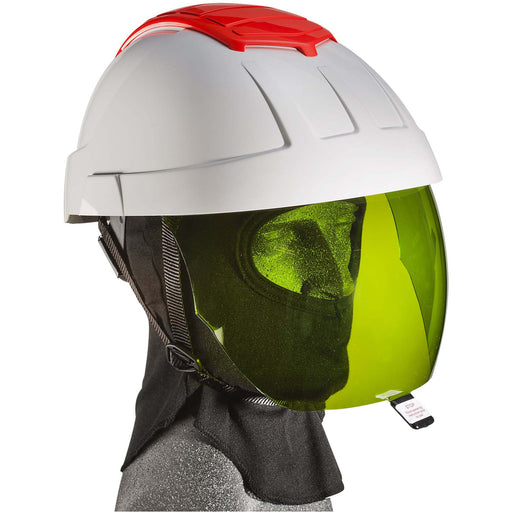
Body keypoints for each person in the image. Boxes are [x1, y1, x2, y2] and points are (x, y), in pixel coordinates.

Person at [65, 4, 447, 510]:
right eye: (289, 239)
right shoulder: (198, 481)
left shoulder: (279, 437)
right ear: (162, 265)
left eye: (340, 233)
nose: (333, 280)